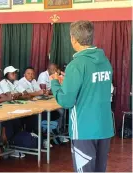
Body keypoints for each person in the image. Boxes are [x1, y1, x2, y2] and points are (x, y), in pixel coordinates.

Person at [50, 21, 113, 172]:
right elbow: (92, 86)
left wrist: (55, 84)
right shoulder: (105, 61)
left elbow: (66, 101)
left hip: (84, 128)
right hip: (104, 126)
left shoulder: (76, 64)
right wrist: (70, 81)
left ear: (73, 38)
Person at [38, 64, 69, 143]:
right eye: (53, 69)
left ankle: (58, 132)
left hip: (50, 99)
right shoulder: (43, 75)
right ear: (48, 69)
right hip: (41, 101)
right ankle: (54, 131)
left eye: (56, 69)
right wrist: (53, 91)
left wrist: (60, 74)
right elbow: (44, 91)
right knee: (60, 111)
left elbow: (62, 88)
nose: (55, 71)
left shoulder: (55, 75)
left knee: (62, 109)